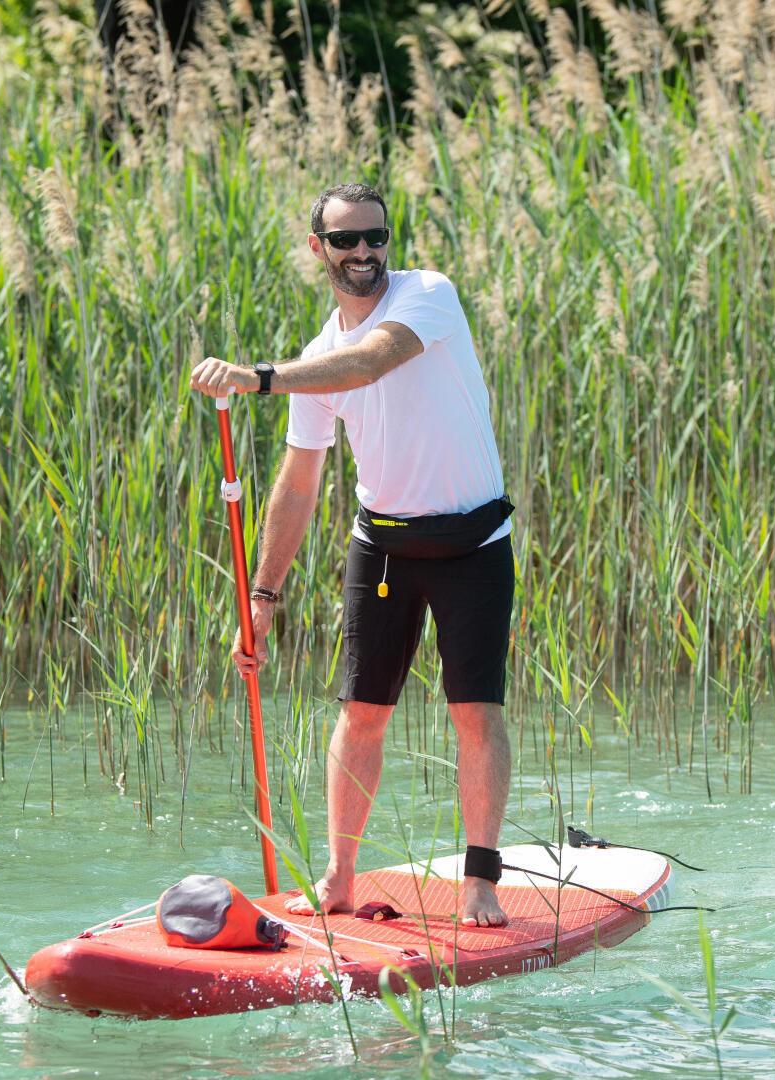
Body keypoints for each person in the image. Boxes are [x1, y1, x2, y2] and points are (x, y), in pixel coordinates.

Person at [187, 183, 514, 927]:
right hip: (385, 546)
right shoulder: (316, 358)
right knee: (361, 712)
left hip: (473, 544)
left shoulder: (428, 295)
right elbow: (299, 484)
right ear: (318, 250)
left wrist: (256, 378)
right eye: (345, 241)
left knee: (474, 713)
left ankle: (480, 881)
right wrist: (260, 599)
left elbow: (371, 363)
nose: (363, 252)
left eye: (375, 237)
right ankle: (337, 878)